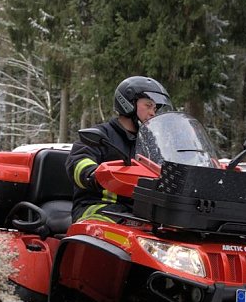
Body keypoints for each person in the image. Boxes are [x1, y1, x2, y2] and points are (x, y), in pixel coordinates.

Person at [66, 75, 173, 222]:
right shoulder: (100, 136)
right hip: (98, 208)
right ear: (129, 104)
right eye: (148, 106)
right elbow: (77, 162)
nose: (152, 113)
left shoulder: (149, 144)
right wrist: (94, 174)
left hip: (137, 213)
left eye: (154, 108)